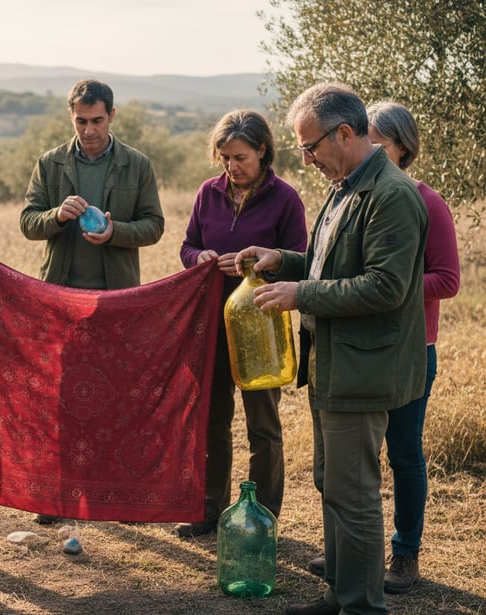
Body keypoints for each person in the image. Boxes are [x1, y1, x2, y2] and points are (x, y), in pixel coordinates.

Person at [235, 83, 428, 615]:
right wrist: (283, 260)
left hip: (363, 368)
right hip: (332, 364)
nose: (306, 159)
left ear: (345, 133)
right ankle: (338, 594)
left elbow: (385, 287)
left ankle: (362, 606)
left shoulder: (391, 195)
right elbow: (330, 266)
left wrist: (300, 294)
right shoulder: (346, 185)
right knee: (332, 484)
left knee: (354, 492)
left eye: (310, 146)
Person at [305, 102, 462, 596]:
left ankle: (402, 554)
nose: (369, 148)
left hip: (401, 347)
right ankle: (348, 570)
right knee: (347, 473)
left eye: (377, 141)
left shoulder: (412, 199)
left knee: (399, 457)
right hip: (352, 350)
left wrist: (314, 292)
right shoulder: (346, 191)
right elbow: (339, 269)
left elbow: (440, 280)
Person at [19, 78, 164, 523]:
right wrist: (56, 216)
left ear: (112, 116)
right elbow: (28, 222)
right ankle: (61, 496)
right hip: (62, 299)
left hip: (116, 301)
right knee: (61, 398)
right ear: (71, 117)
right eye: (81, 121)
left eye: (97, 120)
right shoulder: (49, 163)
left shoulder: (138, 164)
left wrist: (115, 232)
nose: (89, 130)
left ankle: (115, 495)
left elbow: (154, 226)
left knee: (118, 397)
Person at [175, 109, 308, 538]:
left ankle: (261, 518)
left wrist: (259, 265)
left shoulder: (286, 199)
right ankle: (208, 509)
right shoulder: (207, 193)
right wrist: (199, 257)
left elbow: (300, 262)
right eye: (226, 158)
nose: (232, 167)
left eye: (241, 158)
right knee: (212, 420)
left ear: (262, 150)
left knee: (262, 427)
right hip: (212, 324)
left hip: (262, 328)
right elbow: (188, 245)